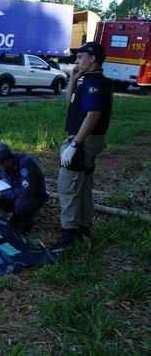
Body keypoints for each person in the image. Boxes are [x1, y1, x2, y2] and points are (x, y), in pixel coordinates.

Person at [53, 42, 113, 249]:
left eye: (80, 57)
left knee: (68, 185)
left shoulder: (95, 83)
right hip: (81, 139)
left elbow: (93, 115)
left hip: (83, 140)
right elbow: (70, 102)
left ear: (93, 58)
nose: (76, 61)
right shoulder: (85, 81)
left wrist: (75, 145)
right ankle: (84, 228)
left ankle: (69, 236)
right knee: (84, 185)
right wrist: (72, 79)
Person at [0, 143, 49, 233]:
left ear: (6, 160)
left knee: (21, 204)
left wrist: (2, 194)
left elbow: (26, 192)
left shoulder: (26, 165)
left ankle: (26, 223)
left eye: (0, 164)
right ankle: (15, 213)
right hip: (15, 191)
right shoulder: (6, 165)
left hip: (34, 196)